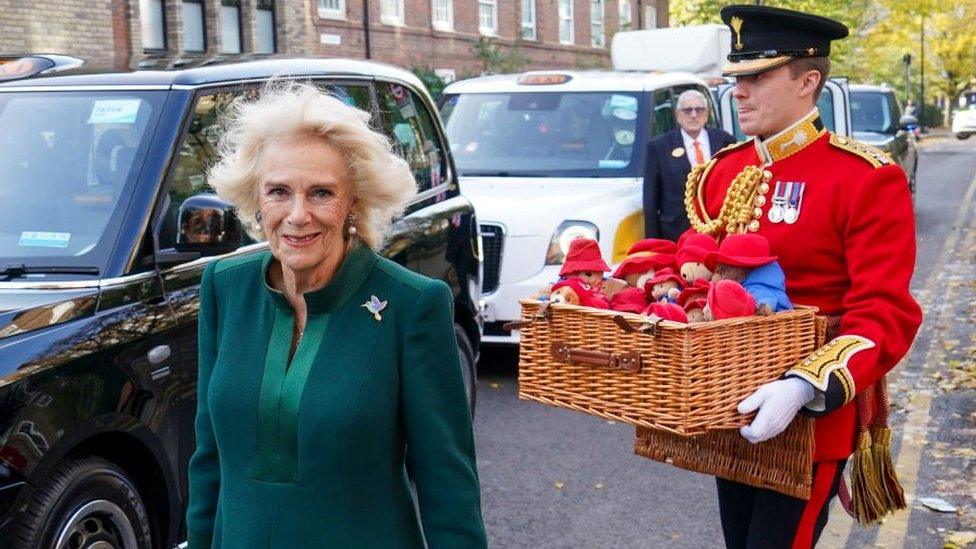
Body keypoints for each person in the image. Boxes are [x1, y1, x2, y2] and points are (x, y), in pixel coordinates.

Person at [185, 83, 487, 548]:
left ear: (354, 203)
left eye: (321, 193)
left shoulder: (412, 305)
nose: (298, 215)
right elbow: (208, 459)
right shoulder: (225, 287)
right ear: (255, 197)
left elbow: (447, 484)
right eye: (279, 191)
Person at [684, 6, 922, 548]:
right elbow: (700, 274)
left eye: (757, 77)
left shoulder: (863, 176)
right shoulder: (723, 170)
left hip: (810, 415)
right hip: (730, 401)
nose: (738, 92)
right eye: (736, 79)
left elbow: (885, 311)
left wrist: (804, 386)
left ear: (808, 81)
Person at [644, 89, 736, 241]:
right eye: (687, 110)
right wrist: (653, 244)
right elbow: (650, 200)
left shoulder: (725, 141)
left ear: (706, 114)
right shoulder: (659, 147)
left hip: (718, 230)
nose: (694, 115)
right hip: (675, 233)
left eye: (699, 110)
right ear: (678, 115)